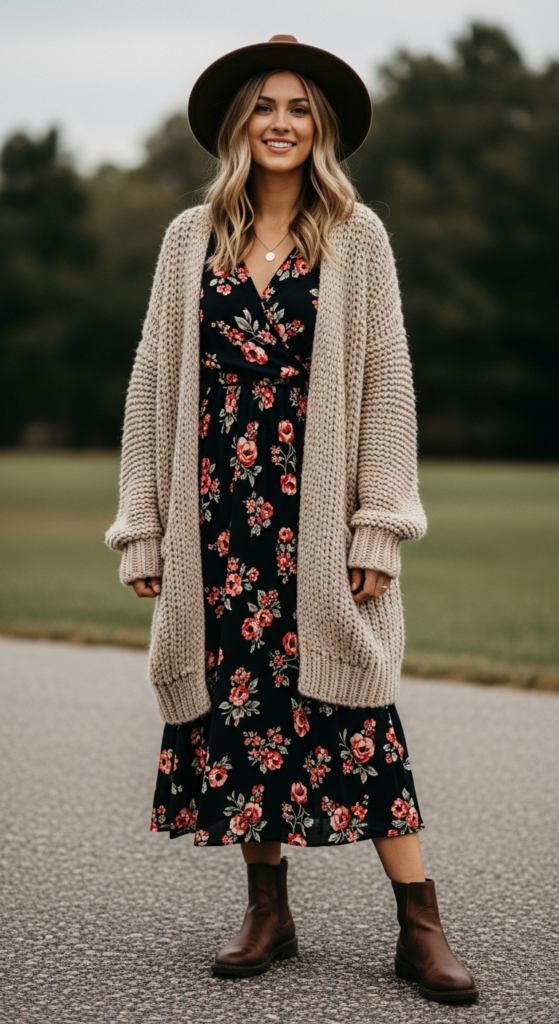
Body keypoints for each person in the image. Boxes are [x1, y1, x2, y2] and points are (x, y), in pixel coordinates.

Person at [106, 35, 478, 1003]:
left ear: (323, 129)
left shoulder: (358, 236)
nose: (280, 121)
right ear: (238, 125)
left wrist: (379, 524)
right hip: (213, 516)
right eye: (264, 106)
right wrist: (142, 526)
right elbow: (153, 382)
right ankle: (267, 907)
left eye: (299, 107)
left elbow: (388, 383)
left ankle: (419, 922)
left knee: (357, 711)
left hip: (311, 516)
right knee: (243, 715)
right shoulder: (191, 236)